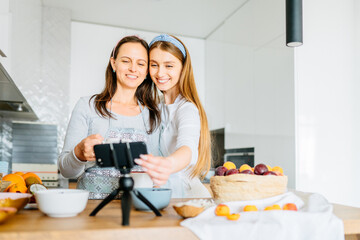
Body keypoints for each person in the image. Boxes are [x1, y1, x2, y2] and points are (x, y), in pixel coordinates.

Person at [58, 35, 160, 199]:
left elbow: (156, 172)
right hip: (91, 208)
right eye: (126, 61)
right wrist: (78, 153)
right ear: (113, 63)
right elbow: (65, 170)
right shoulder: (87, 106)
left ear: (147, 71)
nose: (133, 69)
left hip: (136, 207)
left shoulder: (154, 115)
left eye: (141, 63)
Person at [135, 34, 212, 198]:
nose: (160, 72)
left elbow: (187, 148)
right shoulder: (155, 107)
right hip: (164, 192)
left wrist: (167, 164)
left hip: (188, 195)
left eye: (169, 65)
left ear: (183, 68)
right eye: (154, 65)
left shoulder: (187, 108)